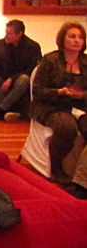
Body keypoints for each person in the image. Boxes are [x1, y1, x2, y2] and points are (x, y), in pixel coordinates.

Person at [30, 22, 87, 185]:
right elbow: (38, 90)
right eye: (72, 36)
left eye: (80, 37)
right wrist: (59, 92)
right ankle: (57, 168)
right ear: (63, 39)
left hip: (80, 106)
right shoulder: (50, 60)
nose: (77, 40)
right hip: (52, 105)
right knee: (66, 127)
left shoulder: (86, 62)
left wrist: (82, 94)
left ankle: (82, 174)